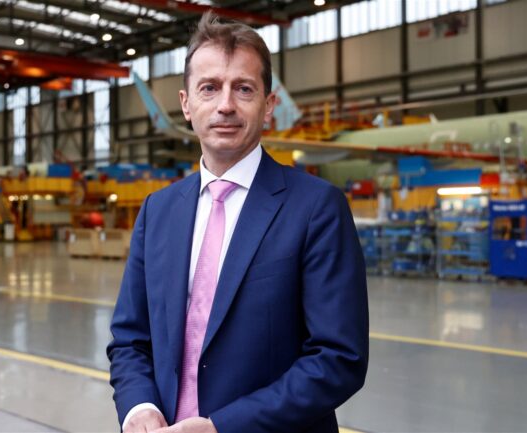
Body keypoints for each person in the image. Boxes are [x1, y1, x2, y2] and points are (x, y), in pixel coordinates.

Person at [107, 12, 368, 433]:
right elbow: (129, 339)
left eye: (243, 88)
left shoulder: (317, 208)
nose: (225, 105)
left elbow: (338, 359)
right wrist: (139, 407)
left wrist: (222, 427)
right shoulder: (158, 211)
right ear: (186, 104)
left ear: (268, 106)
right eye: (209, 88)